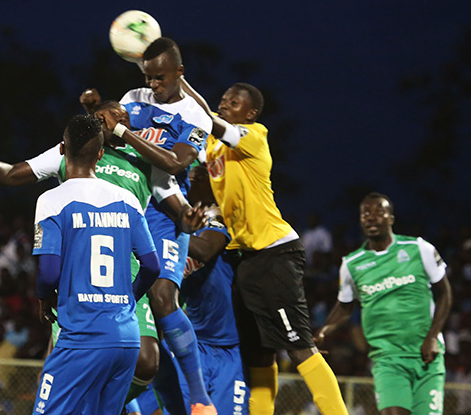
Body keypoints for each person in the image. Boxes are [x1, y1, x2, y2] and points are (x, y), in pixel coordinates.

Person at [0, 100, 202, 408]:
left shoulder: (144, 160)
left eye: (124, 116)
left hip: (125, 269)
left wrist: (190, 219)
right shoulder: (71, 151)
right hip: (77, 272)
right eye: (111, 114)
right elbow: (10, 175)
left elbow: (179, 208)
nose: (119, 118)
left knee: (147, 361)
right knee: (76, 364)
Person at [183, 80, 347, 414]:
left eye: (234, 101)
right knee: (258, 354)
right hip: (245, 257)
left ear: (251, 112)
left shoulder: (255, 137)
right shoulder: (212, 145)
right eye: (224, 98)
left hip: (274, 251)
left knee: (299, 347)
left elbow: (207, 117)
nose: (225, 103)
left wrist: (179, 81)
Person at [103, 37, 216, 414]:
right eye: (149, 78)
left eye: (161, 78)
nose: (153, 85)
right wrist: (98, 115)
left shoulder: (196, 117)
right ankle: (133, 406)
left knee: (163, 298)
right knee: (126, 313)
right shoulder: (133, 96)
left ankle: (200, 398)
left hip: (168, 213)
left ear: (179, 73)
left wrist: (122, 132)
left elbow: (175, 163)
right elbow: (108, 136)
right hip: (129, 205)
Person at [31, 114, 160, 414]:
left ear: (62, 150)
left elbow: (48, 273)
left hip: (82, 336)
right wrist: (128, 298)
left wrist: (43, 297)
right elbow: (152, 266)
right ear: (100, 155)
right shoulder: (127, 199)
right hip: (126, 340)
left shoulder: (51, 200)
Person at [315, 193, 452, 415]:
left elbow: (445, 293)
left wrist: (432, 337)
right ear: (360, 220)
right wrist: (324, 330)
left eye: (379, 212)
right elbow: (344, 306)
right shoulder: (352, 264)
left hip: (427, 355)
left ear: (391, 218)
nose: (371, 217)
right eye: (365, 214)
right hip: (387, 359)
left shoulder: (418, 248)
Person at [167, 164, 249, 414]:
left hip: (229, 347)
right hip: (191, 344)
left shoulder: (219, 216)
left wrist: (160, 232)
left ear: (205, 182)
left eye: (189, 180)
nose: (183, 187)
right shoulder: (176, 225)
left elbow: (205, 250)